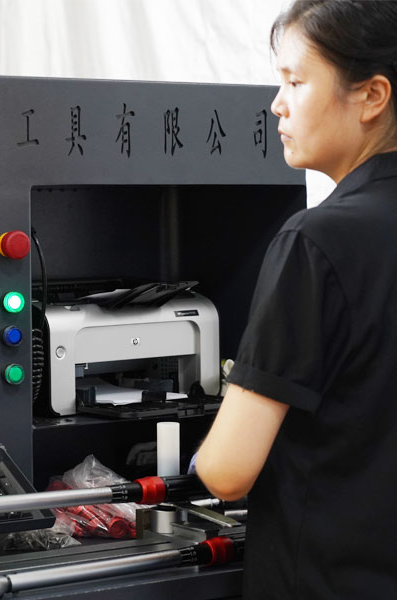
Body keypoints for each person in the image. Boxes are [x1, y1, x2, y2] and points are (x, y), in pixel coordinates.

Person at [195, 1, 397, 598]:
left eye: (295, 82)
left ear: (372, 95)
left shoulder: (316, 241)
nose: (277, 105)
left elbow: (227, 472)